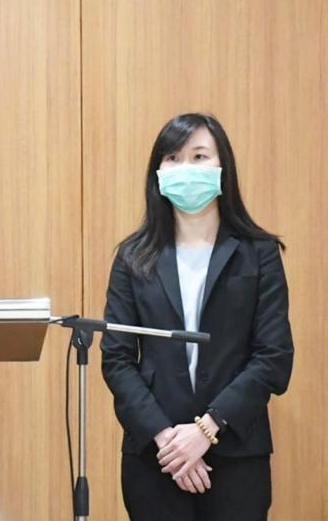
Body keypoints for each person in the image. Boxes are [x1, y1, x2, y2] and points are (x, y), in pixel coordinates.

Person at [101, 113, 293, 520]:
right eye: (173, 158)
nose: (185, 167)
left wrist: (207, 429)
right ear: (157, 172)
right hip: (157, 456)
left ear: (223, 168)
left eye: (199, 156)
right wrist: (166, 438)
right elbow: (116, 358)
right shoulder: (133, 258)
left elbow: (273, 357)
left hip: (237, 451)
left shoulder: (259, 254)